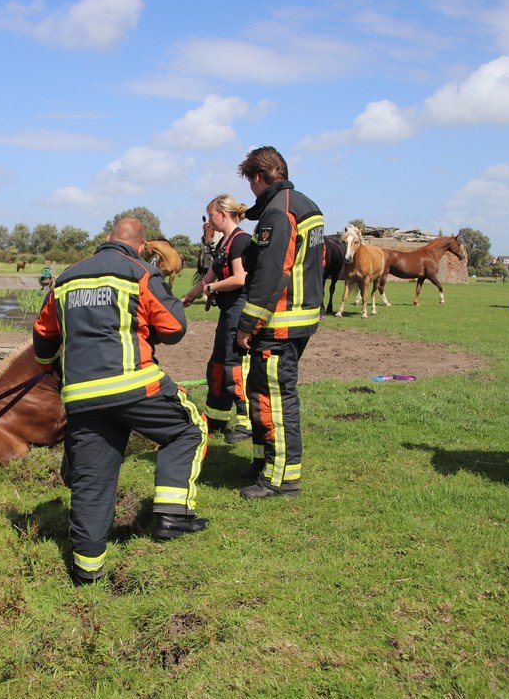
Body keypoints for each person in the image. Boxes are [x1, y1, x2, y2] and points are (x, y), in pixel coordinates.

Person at [33, 218, 209, 584]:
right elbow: (175, 329)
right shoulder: (140, 273)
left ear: (106, 239)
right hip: (135, 386)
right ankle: (172, 515)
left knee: (92, 482)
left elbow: (43, 336)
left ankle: (86, 571)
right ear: (141, 246)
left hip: (81, 397)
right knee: (189, 429)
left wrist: (49, 365)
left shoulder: (66, 278)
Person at [234, 146, 325, 499]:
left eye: (250, 183)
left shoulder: (278, 211)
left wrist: (247, 324)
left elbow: (272, 274)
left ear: (258, 177)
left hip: (279, 323)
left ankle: (282, 478)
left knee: (275, 399)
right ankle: (263, 463)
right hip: (299, 317)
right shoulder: (306, 205)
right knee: (261, 394)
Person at [182, 194, 252, 449]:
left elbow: (240, 278)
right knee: (218, 364)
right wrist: (188, 297)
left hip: (239, 308)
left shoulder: (241, 241)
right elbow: (208, 274)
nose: (210, 220)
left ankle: (246, 422)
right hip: (227, 310)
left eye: (211, 215)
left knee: (234, 365)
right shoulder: (224, 243)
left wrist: (212, 287)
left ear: (223, 213)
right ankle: (218, 416)